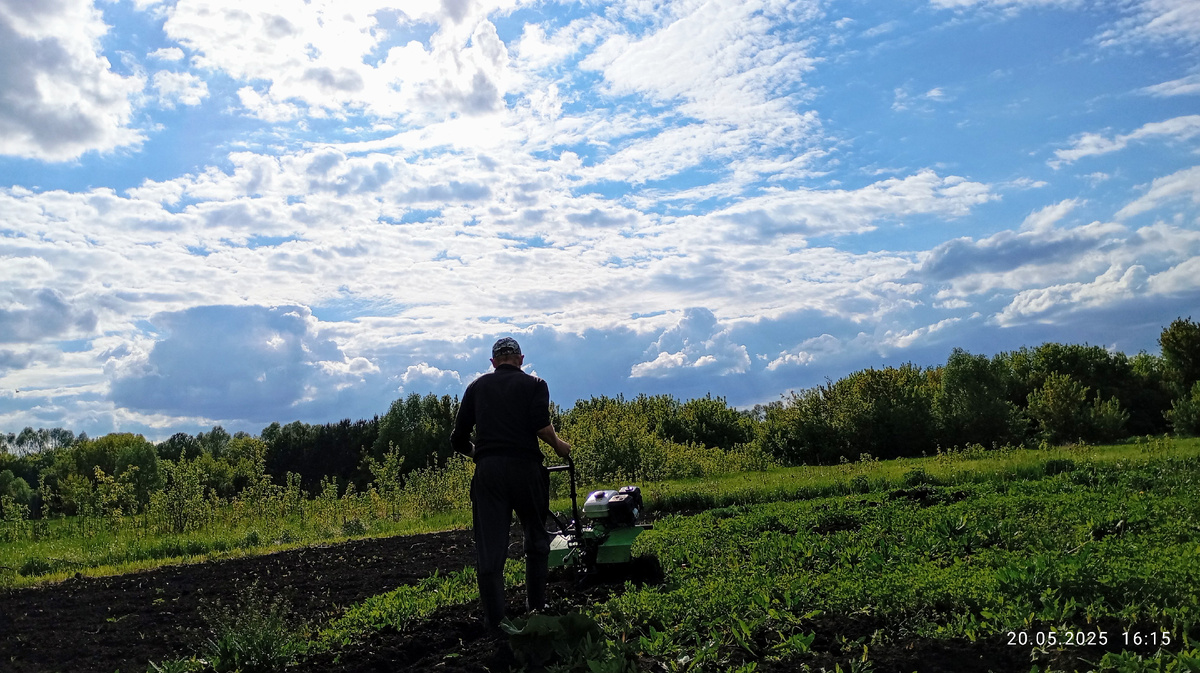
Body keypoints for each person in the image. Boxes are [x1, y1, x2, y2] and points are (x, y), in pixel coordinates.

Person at [450, 337, 572, 631]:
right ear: (520, 359)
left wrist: (480, 454)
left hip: (489, 474)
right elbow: (541, 426)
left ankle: (495, 623)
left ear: (493, 362)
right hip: (526, 469)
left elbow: (457, 439)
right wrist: (560, 446)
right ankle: (537, 608)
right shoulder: (535, 384)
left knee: (490, 549)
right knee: (536, 537)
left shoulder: (476, 387)